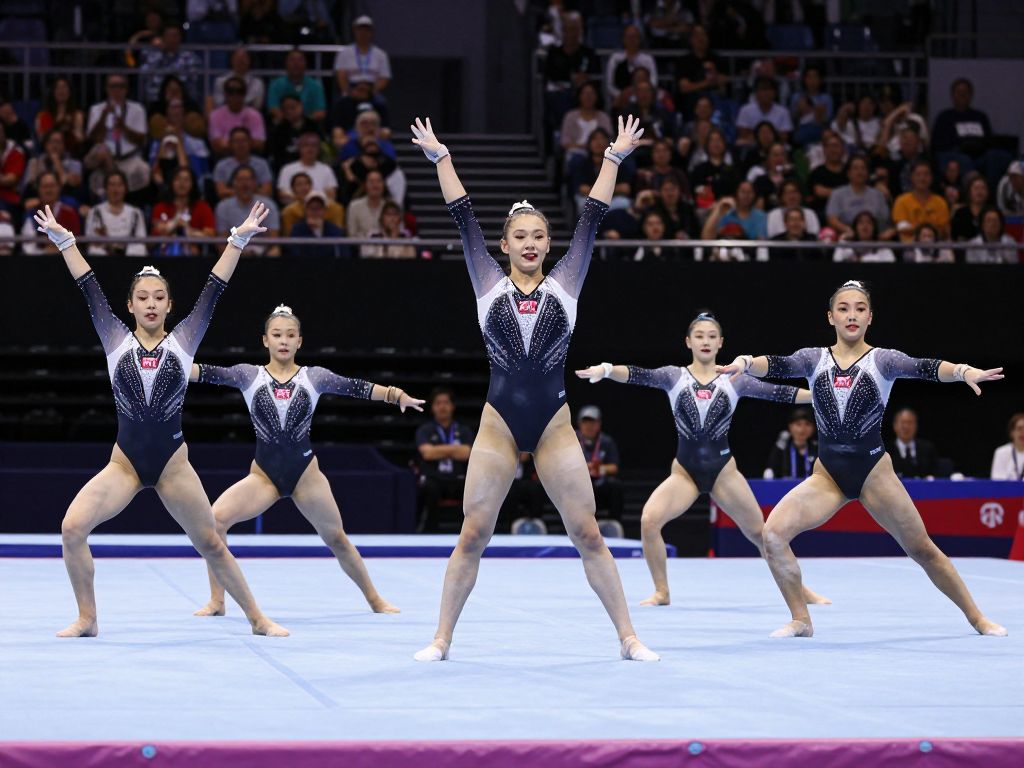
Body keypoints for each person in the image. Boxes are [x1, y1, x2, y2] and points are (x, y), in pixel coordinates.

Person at [409, 114, 658, 662]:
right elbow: (462, 217)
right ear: (504, 245)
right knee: (473, 534)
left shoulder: (567, 283)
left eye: (538, 236)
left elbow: (592, 218)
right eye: (519, 236)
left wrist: (613, 158)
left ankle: (629, 637)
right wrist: (440, 157)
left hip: (553, 426)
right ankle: (441, 638)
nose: (529, 243)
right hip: (499, 423)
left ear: (548, 244)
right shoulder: (486, 281)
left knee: (588, 534)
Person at [34, 201, 288, 638]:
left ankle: (258, 619)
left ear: (169, 305)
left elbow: (214, 289)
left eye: (158, 297)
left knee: (210, 541)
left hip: (173, 465)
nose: (150, 304)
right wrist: (65, 241)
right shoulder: (113, 338)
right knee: (72, 528)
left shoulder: (185, 341)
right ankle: (88, 618)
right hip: (125, 464)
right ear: (130, 306)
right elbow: (88, 286)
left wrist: (238, 239)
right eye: (142, 297)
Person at [717, 279, 1007, 638]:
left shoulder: (883, 360)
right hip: (828, 477)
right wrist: (743, 362)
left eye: (858, 309)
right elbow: (776, 364)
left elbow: (925, 367)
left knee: (922, 550)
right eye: (843, 308)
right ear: (830, 316)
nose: (851, 315)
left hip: (873, 474)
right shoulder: (813, 358)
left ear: (870, 317)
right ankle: (801, 620)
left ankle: (977, 618)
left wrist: (964, 372)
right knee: (773, 535)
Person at [576, 312, 827, 607]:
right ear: (688, 342)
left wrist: (821, 395)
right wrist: (606, 370)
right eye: (699, 336)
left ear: (721, 343)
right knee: (649, 520)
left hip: (723, 473)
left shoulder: (735, 379)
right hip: (685, 473)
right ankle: (662, 591)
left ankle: (801, 590)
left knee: (763, 534)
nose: (705, 341)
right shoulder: (674, 376)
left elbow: (779, 393)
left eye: (711, 336)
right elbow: (637, 374)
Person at [189, 304, 418, 617]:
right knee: (214, 521)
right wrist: (173, 366)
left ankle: (375, 600)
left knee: (336, 538)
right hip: (264, 477)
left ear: (300, 342)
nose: (284, 340)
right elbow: (207, 374)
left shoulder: (315, 377)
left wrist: (394, 395)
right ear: (265, 340)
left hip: (305, 476)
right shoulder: (248, 375)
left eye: (290, 335)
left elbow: (356, 387)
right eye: (277, 334)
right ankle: (217, 601)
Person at [416, 387, 475, 533]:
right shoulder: (425, 430)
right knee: (429, 489)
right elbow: (427, 454)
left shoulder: (464, 430)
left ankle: (468, 532)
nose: (442, 406)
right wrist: (455, 450)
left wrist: (438, 450)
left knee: (474, 489)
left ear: (452, 406)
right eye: (438, 403)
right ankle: (429, 531)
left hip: (458, 479)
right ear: (433, 407)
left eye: (446, 402)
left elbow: (467, 453)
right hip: (435, 478)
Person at [84, 75, 150, 195]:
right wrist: (103, 117)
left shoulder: (137, 109)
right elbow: (94, 139)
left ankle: (115, 185)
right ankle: (116, 182)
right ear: (107, 89)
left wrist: (123, 127)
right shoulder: (96, 109)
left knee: (144, 170)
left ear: (126, 89)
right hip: (102, 157)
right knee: (102, 151)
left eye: (121, 86)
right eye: (113, 86)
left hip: (128, 157)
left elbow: (141, 140)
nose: (117, 90)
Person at [215, 165, 280, 256]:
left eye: (248, 179)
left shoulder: (268, 205)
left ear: (255, 183)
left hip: (263, 254)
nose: (244, 184)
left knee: (275, 252)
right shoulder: (223, 207)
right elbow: (222, 241)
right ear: (233, 183)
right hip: (234, 253)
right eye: (240, 180)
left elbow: (274, 239)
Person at [574, 406, 624, 525]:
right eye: (586, 422)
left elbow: (614, 467)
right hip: (578, 484)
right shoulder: (571, 440)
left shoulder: (606, 441)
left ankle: (614, 523)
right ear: (580, 424)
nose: (589, 426)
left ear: (599, 424)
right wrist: (582, 468)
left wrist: (598, 468)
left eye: (593, 423)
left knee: (615, 486)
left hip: (598, 483)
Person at [825, 155, 893, 240]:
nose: (859, 171)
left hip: (874, 240)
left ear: (868, 173)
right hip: (847, 238)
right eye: (855, 168)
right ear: (848, 173)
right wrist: (849, 231)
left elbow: (885, 221)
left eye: (863, 168)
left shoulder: (878, 195)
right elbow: (832, 219)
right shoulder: (837, 194)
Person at [151, 167, 216, 256]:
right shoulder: (160, 207)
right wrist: (174, 224)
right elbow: (153, 238)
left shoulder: (202, 207)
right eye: (178, 179)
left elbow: (210, 234)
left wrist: (189, 231)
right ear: (171, 183)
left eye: (186, 180)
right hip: (163, 256)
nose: (182, 184)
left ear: (193, 184)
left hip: (194, 258)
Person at [84, 171, 148, 256]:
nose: (116, 189)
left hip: (129, 255)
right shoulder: (95, 211)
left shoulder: (135, 213)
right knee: (95, 251)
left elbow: (141, 238)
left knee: (139, 250)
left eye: (119, 185)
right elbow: (91, 238)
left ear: (125, 188)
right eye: (112, 185)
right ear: (106, 188)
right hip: (104, 255)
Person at [20, 172, 81, 255]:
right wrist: (45, 252)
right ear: (38, 189)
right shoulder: (32, 214)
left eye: (52, 186)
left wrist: (59, 250)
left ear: (59, 187)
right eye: (45, 187)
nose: (49, 190)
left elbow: (77, 242)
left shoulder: (70, 213)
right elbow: (28, 248)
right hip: (39, 262)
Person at [140, 25, 202, 103]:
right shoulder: (153, 57)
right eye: (169, 36)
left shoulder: (190, 58)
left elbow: (194, 83)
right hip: (157, 102)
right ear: (162, 38)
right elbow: (145, 78)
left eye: (175, 36)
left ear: (180, 38)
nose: (172, 39)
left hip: (184, 102)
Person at [892, 160, 950, 243]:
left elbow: (943, 231)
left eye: (926, 174)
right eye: (918, 175)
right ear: (911, 177)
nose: (922, 178)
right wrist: (928, 228)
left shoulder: (940, 202)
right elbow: (901, 229)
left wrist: (914, 228)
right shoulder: (901, 201)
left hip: (936, 246)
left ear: (931, 177)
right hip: (910, 248)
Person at [334, 15, 392, 97]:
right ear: (354, 31)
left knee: (382, 105)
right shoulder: (344, 53)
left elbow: (384, 78)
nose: (363, 33)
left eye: (367, 30)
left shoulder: (381, 54)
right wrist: (349, 92)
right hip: (351, 87)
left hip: (372, 88)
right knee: (341, 105)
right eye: (360, 30)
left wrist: (371, 91)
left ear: (372, 32)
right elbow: (341, 76)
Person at [208, 76, 267, 156]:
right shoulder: (215, 115)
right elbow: (216, 145)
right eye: (231, 91)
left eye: (239, 91)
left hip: (250, 157)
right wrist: (245, 143)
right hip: (224, 157)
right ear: (225, 94)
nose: (235, 95)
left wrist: (229, 143)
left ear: (245, 94)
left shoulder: (255, 115)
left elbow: (260, 144)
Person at [559, 83, 614, 169]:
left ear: (596, 97)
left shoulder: (604, 117)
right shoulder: (570, 117)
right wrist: (586, 147)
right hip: (577, 153)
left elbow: (609, 139)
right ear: (579, 96)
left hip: (601, 153)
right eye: (585, 93)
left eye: (591, 94)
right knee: (577, 161)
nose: (588, 97)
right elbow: (565, 142)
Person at [605, 25, 658, 109]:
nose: (632, 40)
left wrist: (638, 94)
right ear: (623, 39)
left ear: (640, 39)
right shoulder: (615, 58)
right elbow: (609, 85)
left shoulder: (647, 59)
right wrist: (622, 95)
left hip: (643, 99)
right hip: (621, 100)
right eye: (629, 37)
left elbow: (653, 82)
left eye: (635, 37)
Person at [267, 49, 326, 124]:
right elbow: (273, 109)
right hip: (283, 125)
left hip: (308, 126)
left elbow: (321, 112)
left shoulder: (316, 86)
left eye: (300, 60)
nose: (296, 63)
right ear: (286, 63)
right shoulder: (275, 85)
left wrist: (301, 122)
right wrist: (289, 121)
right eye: (292, 60)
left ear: (306, 64)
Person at [213, 127, 274, 199]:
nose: (240, 144)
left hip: (257, 203)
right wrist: (248, 191)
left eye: (244, 140)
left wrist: (240, 191)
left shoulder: (262, 164)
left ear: (250, 142)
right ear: (230, 144)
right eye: (236, 141)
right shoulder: (221, 166)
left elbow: (267, 191)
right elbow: (221, 192)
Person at [277, 132, 337, 204]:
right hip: (295, 209)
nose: (310, 149)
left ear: (319, 149)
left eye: (314, 145)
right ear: (299, 148)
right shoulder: (287, 169)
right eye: (306, 145)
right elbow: (283, 195)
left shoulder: (326, 169)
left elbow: (331, 195)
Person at [280, 171, 345, 237]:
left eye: (307, 184)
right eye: (299, 185)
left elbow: (339, 237)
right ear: (293, 189)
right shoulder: (289, 212)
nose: (304, 188)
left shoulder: (335, 209)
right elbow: (289, 240)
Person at [267, 94, 320, 170]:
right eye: (286, 108)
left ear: (301, 106)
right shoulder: (278, 130)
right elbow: (277, 156)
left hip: (312, 166)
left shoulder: (313, 126)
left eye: (293, 107)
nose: (289, 111)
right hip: (287, 168)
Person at [35, 77, 85, 157]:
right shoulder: (43, 115)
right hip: (48, 155)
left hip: (70, 154)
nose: (61, 91)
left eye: (64, 87)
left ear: (69, 92)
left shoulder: (77, 115)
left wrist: (69, 130)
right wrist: (59, 125)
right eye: (58, 88)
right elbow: (41, 139)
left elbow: (80, 138)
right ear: (53, 92)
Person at [286, 191, 347, 258]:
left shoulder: (335, 231)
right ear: (306, 210)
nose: (314, 212)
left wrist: (317, 230)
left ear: (325, 210)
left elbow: (343, 254)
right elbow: (294, 254)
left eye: (318, 208)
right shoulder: (297, 230)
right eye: (311, 208)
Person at [764, 407, 818, 480]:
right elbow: (770, 469)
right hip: (786, 489)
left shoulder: (817, 448)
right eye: (798, 424)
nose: (802, 429)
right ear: (790, 426)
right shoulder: (782, 448)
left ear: (813, 428)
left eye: (807, 424)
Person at [736, 77, 792, 146]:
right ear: (756, 93)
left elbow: (784, 136)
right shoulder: (745, 110)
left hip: (775, 145)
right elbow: (743, 135)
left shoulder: (783, 112)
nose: (766, 93)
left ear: (775, 93)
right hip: (753, 145)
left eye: (769, 89)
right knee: (740, 142)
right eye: (763, 89)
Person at [887, 408, 940, 479]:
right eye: (903, 422)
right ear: (895, 425)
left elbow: (936, 473)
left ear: (916, 425)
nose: (906, 427)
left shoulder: (927, 448)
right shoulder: (886, 450)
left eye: (910, 422)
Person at [209, 47, 266, 112]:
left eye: (244, 57)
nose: (241, 60)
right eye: (237, 58)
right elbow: (219, 104)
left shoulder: (258, 83)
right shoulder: (220, 82)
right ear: (231, 60)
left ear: (250, 60)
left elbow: (257, 107)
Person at [345, 169, 389, 237]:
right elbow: (351, 234)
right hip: (361, 245)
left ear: (383, 185)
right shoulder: (354, 207)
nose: (375, 185)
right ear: (365, 185)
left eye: (378, 181)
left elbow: (395, 234)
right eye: (371, 182)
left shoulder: (390, 206)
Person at [951, 174, 991, 241]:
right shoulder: (960, 213)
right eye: (976, 188)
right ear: (969, 192)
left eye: (983, 188)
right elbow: (956, 237)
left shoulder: (992, 213)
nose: (979, 191)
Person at [990, 413, 1024, 481]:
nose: (1023, 432)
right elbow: (996, 479)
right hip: (1007, 491)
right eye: (1019, 429)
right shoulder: (1001, 452)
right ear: (1012, 432)